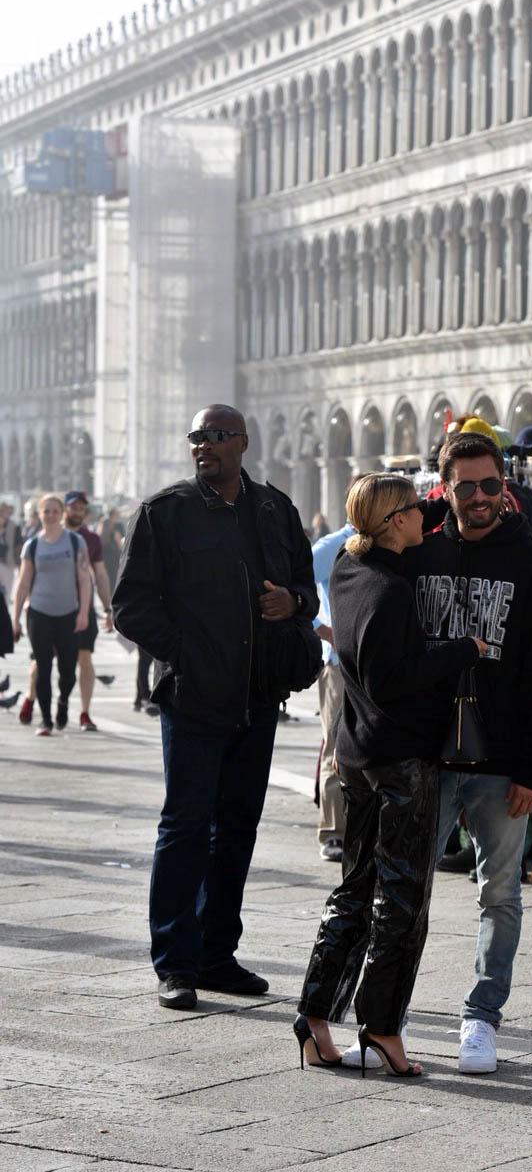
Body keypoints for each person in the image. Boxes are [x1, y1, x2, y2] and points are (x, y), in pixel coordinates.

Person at [112, 404, 320, 1011]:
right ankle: (174, 962)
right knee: (184, 828)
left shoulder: (274, 509)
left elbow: (307, 589)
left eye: (216, 436)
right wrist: (187, 654)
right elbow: (130, 606)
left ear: (243, 444)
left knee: (237, 829)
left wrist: (294, 603)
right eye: (197, 436)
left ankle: (216, 953)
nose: (204, 445)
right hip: (195, 697)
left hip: (258, 697)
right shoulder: (165, 512)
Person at [295, 474, 486, 1078]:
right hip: (401, 757)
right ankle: (381, 1029)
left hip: (357, 753)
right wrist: (463, 650)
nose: (424, 518)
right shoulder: (389, 587)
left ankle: (315, 1017)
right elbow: (392, 679)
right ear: (393, 522)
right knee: (403, 898)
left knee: (354, 886)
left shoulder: (347, 572)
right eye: (413, 511)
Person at [407, 432, 532, 1073]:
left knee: (499, 893)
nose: (478, 498)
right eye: (466, 486)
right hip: (426, 755)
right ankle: (389, 1009)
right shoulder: (417, 552)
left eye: (490, 485)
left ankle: (481, 1016)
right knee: (405, 885)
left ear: (505, 486)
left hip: (500, 760)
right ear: (445, 487)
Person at [11, 493, 92, 736]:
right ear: (39, 514)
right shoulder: (32, 545)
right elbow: (23, 584)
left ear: (62, 514)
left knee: (68, 670)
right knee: (43, 668)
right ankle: (46, 720)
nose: (51, 515)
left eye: (55, 511)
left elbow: (84, 580)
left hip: (69, 614)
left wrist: (84, 613)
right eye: (46, 511)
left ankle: (63, 701)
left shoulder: (76, 542)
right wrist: (15, 619)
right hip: (39, 614)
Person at [311, 512, 356, 862]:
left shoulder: (390, 540)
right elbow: (294, 583)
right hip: (339, 667)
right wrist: (323, 630)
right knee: (336, 747)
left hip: (374, 664)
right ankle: (333, 831)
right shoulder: (332, 546)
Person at [63, 492, 115, 731]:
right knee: (42, 663)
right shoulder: (47, 535)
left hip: (82, 609)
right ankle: (35, 701)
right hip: (48, 611)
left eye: (81, 508)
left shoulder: (91, 539)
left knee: (85, 658)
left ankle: (84, 713)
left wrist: (107, 608)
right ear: (65, 508)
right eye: (73, 507)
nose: (77, 511)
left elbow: (101, 575)